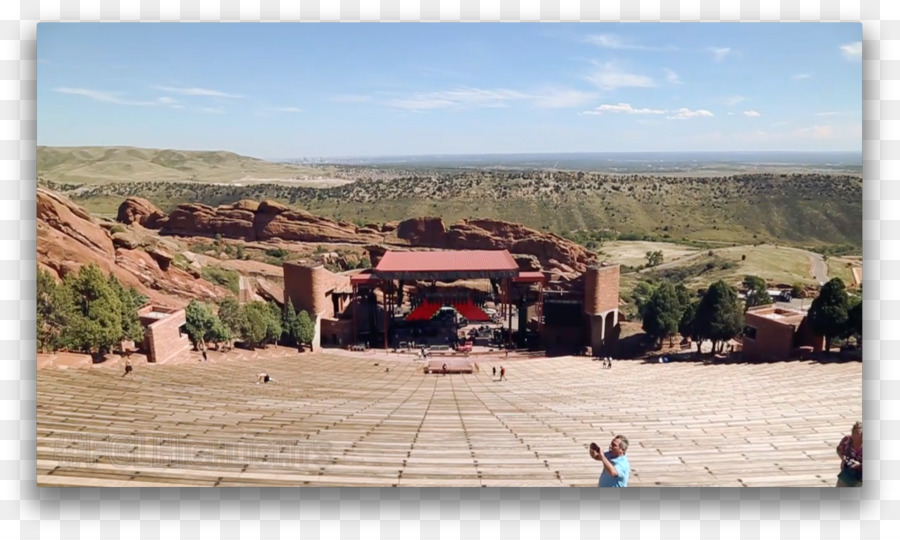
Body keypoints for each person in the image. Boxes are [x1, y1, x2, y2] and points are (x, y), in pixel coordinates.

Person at [836, 421, 863, 487]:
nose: (853, 435)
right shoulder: (847, 440)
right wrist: (843, 458)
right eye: (853, 432)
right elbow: (839, 449)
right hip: (848, 473)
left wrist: (859, 465)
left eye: (857, 434)